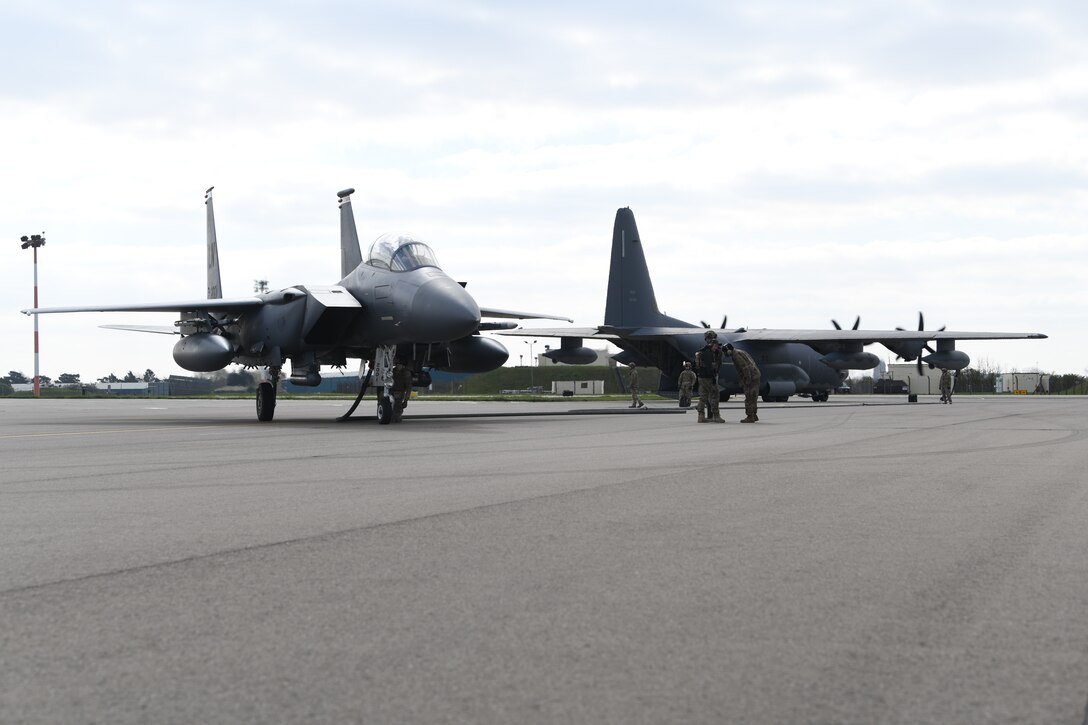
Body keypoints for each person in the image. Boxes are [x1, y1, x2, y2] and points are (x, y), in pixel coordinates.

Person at [724, 342, 761, 422]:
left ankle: (750, 416)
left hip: (750, 376)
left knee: (749, 396)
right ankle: (754, 415)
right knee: (753, 395)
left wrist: (747, 380)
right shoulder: (740, 351)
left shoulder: (736, 355)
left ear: (729, 350)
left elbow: (745, 368)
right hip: (755, 375)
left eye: (725, 352)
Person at [694, 331, 725, 423]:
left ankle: (701, 416)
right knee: (715, 395)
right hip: (708, 377)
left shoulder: (702, 351)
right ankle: (716, 416)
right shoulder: (708, 352)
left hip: (701, 377)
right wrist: (713, 377)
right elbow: (709, 367)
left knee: (703, 397)